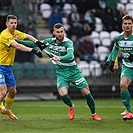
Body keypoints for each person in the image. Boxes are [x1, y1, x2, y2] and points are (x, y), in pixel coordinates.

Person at [18, 23, 101, 121]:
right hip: (61, 72)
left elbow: (70, 55)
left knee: (86, 93)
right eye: (58, 32)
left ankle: (94, 114)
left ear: (64, 32)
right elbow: (34, 44)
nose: (60, 34)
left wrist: (59, 58)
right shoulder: (49, 42)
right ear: (54, 33)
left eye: (61, 31)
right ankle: (71, 106)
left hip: (74, 71)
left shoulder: (68, 42)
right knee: (63, 94)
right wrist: (18, 41)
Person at [0, 14, 43, 120]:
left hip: (8, 68)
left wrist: (37, 42)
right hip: (0, 66)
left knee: (13, 91)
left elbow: (28, 36)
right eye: (12, 23)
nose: (14, 25)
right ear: (7, 24)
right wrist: (33, 50)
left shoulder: (15, 33)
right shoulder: (4, 35)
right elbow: (18, 46)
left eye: (15, 23)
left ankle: (7, 110)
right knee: (3, 91)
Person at [103, 14, 133, 121]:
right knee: (122, 85)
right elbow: (115, 49)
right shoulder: (119, 38)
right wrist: (109, 61)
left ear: (132, 25)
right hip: (128, 67)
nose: (127, 25)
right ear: (122, 26)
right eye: (125, 23)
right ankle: (129, 111)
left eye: (129, 23)